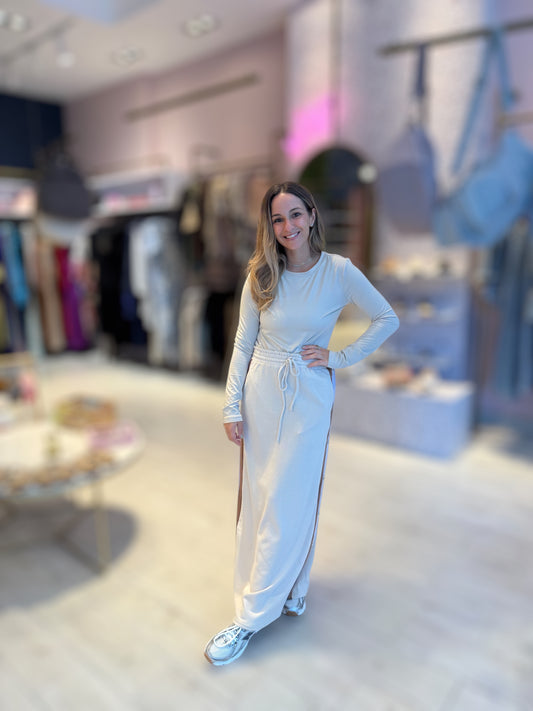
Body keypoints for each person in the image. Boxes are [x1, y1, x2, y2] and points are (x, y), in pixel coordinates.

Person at [204, 181, 399, 666]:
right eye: (277, 219)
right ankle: (291, 589)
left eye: (295, 214)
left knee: (288, 500)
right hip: (261, 394)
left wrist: (338, 357)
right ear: (269, 226)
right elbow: (242, 344)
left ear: (312, 215)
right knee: (261, 500)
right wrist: (231, 406)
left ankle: (249, 618)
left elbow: (386, 318)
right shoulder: (261, 275)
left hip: (308, 395)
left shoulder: (339, 271)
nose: (287, 226)